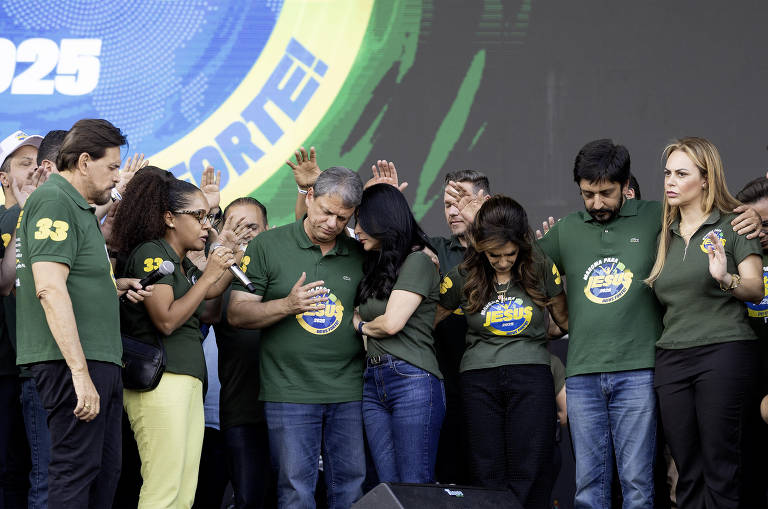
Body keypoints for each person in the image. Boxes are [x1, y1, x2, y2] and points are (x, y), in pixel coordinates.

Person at [536, 138, 761, 509]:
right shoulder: (579, 229)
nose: (596, 203)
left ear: (626, 186)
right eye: (587, 194)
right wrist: (559, 318)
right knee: (602, 486)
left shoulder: (662, 216)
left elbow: (718, 223)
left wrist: (748, 219)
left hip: (663, 363)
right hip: (619, 366)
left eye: (605, 193)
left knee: (650, 482)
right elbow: (527, 269)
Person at [14, 119, 148, 509]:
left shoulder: (79, 207)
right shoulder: (54, 199)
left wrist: (112, 287)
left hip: (98, 359)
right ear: (84, 161)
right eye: (112, 166)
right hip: (71, 361)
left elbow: (73, 280)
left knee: (104, 475)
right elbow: (49, 288)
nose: (117, 176)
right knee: (74, 476)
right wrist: (78, 373)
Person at [228, 166, 366, 509]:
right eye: (326, 212)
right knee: (294, 490)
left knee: (350, 488)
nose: (333, 224)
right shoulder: (267, 244)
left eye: (342, 217)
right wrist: (288, 305)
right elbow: (236, 313)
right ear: (309, 198)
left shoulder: (360, 252)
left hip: (349, 389)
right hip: (289, 390)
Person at [112, 168, 241, 508]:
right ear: (169, 218)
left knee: (184, 491)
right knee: (163, 487)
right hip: (161, 381)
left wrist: (227, 265)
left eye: (209, 216)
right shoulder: (153, 253)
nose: (206, 225)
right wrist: (209, 275)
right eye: (197, 216)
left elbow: (209, 297)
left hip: (186, 380)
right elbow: (166, 319)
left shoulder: (181, 263)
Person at [646, 137, 763, 509]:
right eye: (667, 173)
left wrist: (724, 277)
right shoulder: (661, 232)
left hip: (723, 351)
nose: (670, 182)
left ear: (707, 180)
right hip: (672, 357)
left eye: (682, 174)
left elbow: (755, 288)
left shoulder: (733, 225)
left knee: (720, 463)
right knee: (685, 465)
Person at [435, 195, 567, 508]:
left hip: (531, 375)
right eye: (494, 255)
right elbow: (428, 321)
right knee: (486, 466)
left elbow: (563, 322)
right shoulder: (462, 276)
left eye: (509, 254)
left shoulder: (540, 266)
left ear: (522, 243)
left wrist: (534, 333)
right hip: (478, 379)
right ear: (480, 246)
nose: (503, 261)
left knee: (532, 465)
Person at [350, 183, 443, 484]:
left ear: (382, 220)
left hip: (411, 378)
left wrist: (363, 326)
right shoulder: (377, 263)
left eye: (361, 220)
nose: (356, 228)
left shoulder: (418, 260)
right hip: (373, 381)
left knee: (413, 483)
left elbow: (391, 324)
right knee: (388, 487)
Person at [213, 197, 276, 509]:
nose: (244, 234)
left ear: (270, 230)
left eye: (251, 227)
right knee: (249, 500)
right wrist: (223, 259)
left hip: (292, 409)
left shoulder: (283, 274)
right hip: (241, 412)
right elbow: (205, 313)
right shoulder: (217, 280)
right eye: (234, 228)